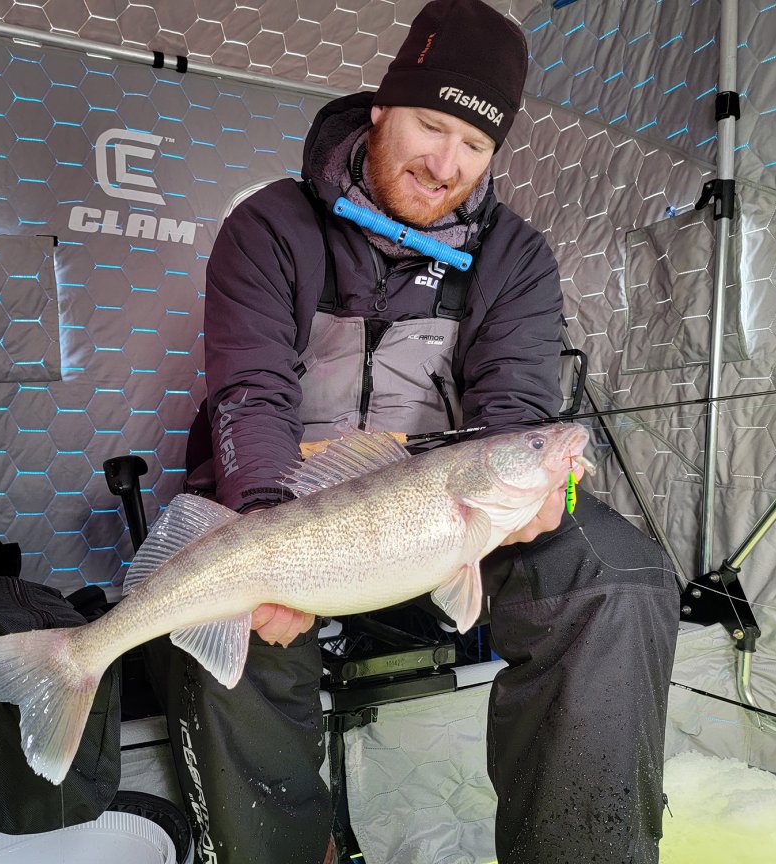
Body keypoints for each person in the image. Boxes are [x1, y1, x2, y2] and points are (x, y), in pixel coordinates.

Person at [155, 1, 681, 862]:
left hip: (450, 516)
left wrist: (549, 490)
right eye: (431, 127)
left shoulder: (515, 256)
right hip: (295, 504)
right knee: (229, 620)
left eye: (474, 144)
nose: (446, 164)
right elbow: (249, 395)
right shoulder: (271, 225)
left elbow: (518, 415)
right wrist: (266, 532)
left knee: (616, 578)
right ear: (380, 110)